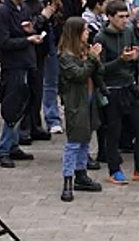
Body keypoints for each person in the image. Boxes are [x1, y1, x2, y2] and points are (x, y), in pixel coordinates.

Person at [97, 0, 139, 184]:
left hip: (129, 87)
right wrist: (121, 60)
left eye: (126, 16)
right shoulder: (101, 38)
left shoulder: (128, 31)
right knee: (114, 131)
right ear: (109, 17)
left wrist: (136, 57)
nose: (124, 20)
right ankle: (114, 169)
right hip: (112, 89)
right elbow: (99, 68)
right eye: (120, 17)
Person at [0, 0, 41, 169]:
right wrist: (26, 39)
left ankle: (13, 145)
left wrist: (30, 32)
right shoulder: (2, 11)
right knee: (12, 107)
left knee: (22, 104)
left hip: (26, 62)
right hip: (13, 65)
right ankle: (3, 149)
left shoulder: (23, 8)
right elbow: (3, 41)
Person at [56, 16, 103, 202]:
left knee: (85, 138)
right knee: (74, 142)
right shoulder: (66, 56)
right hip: (75, 103)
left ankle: (81, 174)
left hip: (89, 99)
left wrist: (94, 59)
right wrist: (92, 59)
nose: (88, 32)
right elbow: (79, 74)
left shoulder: (84, 51)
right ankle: (68, 179)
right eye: (85, 30)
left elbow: (98, 72)